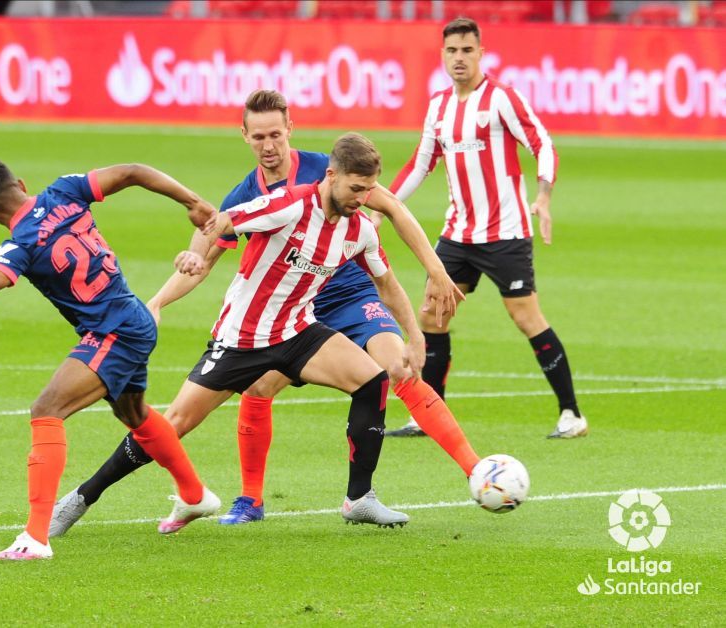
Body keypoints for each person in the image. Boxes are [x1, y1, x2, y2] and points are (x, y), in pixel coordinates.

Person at [49, 123, 479, 537]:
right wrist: (195, 256)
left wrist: (416, 337)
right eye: (355, 189)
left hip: (298, 332)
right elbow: (224, 221)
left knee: (372, 381)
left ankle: (359, 497)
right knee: (174, 423)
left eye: (369, 190)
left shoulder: (359, 230)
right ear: (331, 176)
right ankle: (81, 498)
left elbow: (386, 284)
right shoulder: (288, 204)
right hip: (241, 340)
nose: (363, 199)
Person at [0, 161, 222, 560]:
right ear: (20, 184)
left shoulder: (21, 243)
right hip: (131, 318)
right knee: (134, 415)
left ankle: (35, 538)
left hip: (114, 332)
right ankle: (194, 495)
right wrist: (194, 202)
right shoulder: (64, 191)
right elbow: (133, 171)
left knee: (46, 409)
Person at [385, 17, 587, 439]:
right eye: (452, 51)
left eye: (467, 50)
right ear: (442, 55)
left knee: (525, 316)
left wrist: (544, 196)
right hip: (458, 234)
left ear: (481, 53)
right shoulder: (438, 106)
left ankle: (572, 414)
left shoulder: (502, 99)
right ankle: (429, 414)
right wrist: (379, 204)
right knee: (432, 314)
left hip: (506, 233)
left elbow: (542, 144)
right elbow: (420, 164)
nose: (459, 58)